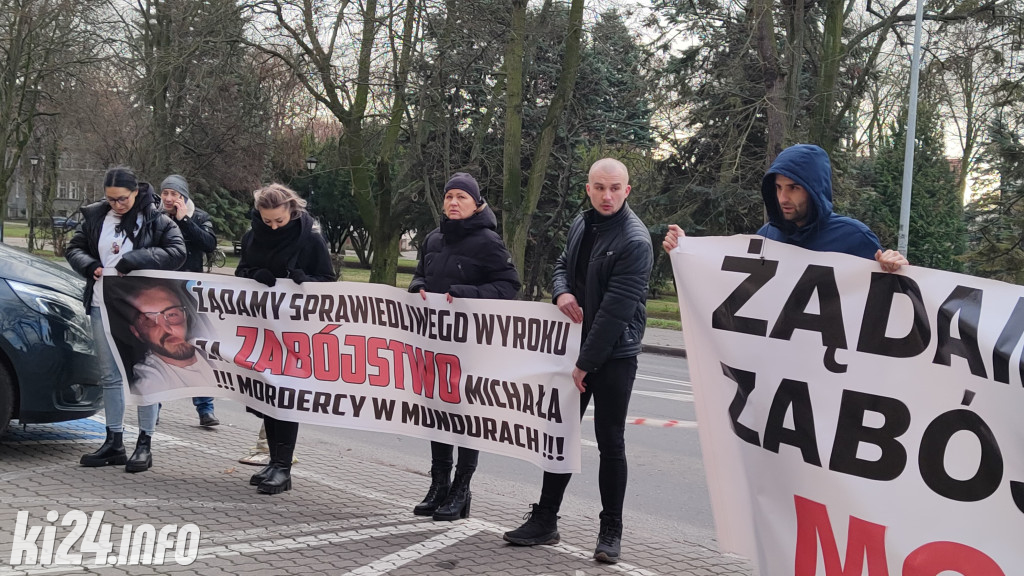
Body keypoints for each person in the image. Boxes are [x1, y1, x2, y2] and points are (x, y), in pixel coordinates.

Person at [503, 158, 653, 564]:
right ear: (588, 188)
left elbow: (616, 311)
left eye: (615, 188)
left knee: (611, 442)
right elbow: (561, 266)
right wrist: (561, 293)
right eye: (600, 187)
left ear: (627, 190)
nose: (607, 195)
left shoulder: (635, 240)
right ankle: (545, 520)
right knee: (559, 434)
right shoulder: (582, 223)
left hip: (614, 354)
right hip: (575, 350)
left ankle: (610, 531)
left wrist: (584, 364)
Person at [408, 172, 521, 521]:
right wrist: (418, 288)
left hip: (471, 345)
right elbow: (419, 275)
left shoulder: (488, 241)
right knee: (437, 414)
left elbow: (509, 286)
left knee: (466, 417)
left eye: (462, 197)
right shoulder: (433, 239)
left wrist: (464, 294)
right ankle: (438, 484)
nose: (454, 203)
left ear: (476, 203)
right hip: (434, 341)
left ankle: (462, 488)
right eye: (449, 197)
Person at [66, 166, 185, 473]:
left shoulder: (156, 219)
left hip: (141, 309)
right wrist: (89, 264)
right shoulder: (96, 217)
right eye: (110, 199)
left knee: (143, 374)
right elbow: (74, 248)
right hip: (102, 303)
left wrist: (136, 259)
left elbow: (176, 251)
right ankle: (113, 440)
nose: (116, 205)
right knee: (110, 376)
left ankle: (144, 443)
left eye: (122, 199)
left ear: (135, 193)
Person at [662, 143, 908, 272]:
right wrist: (688, 248)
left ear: (815, 190)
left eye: (793, 188)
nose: (783, 198)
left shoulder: (854, 237)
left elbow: (889, 299)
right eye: (778, 188)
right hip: (780, 362)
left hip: (832, 363)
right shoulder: (768, 236)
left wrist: (896, 268)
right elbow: (731, 279)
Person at [235, 183, 335, 494]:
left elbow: (329, 281)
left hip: (295, 332)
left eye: (279, 220)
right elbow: (242, 272)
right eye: (268, 221)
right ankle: (273, 460)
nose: (274, 226)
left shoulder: (310, 238)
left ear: (291, 210)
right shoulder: (253, 236)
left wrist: (306, 281)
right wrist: (256, 275)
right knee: (266, 394)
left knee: (285, 397)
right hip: (262, 326)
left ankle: (283, 466)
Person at [159, 174, 220, 427]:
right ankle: (154, 406)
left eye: (175, 194)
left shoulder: (199, 217)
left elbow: (209, 245)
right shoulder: (155, 217)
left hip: (190, 292)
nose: (170, 199)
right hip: (160, 291)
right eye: (166, 194)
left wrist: (185, 221)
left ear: (184, 196)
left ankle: (205, 409)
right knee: (158, 348)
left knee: (195, 348)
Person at [123, 279, 216, 397]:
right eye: (150, 319)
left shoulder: (214, 352)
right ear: (136, 332)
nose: (167, 328)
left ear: (186, 317)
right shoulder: (151, 381)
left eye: (172, 314)